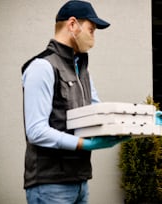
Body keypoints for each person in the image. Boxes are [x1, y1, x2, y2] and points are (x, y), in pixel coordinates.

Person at [21, 1, 129, 203]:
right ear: (72, 25)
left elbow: (97, 112)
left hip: (80, 182)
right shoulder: (42, 67)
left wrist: (135, 122)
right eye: (91, 29)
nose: (93, 36)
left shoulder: (82, 70)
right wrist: (85, 145)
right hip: (50, 186)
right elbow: (36, 131)